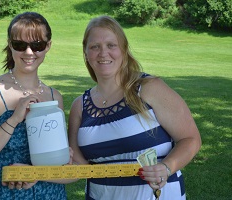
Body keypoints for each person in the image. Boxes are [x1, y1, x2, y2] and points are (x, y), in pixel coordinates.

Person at [68, 15, 202, 200]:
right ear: (86, 53)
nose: (103, 53)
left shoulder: (148, 88)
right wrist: (33, 175)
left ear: (123, 50)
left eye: (111, 45)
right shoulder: (79, 106)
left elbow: (190, 139)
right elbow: (78, 167)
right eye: (94, 47)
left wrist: (166, 167)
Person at [0, 12, 71, 199]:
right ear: (10, 45)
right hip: (4, 193)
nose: (28, 52)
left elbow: (65, 167)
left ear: (48, 46)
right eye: (20, 45)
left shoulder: (54, 97)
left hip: (51, 193)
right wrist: (14, 119)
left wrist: (40, 170)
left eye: (37, 46)